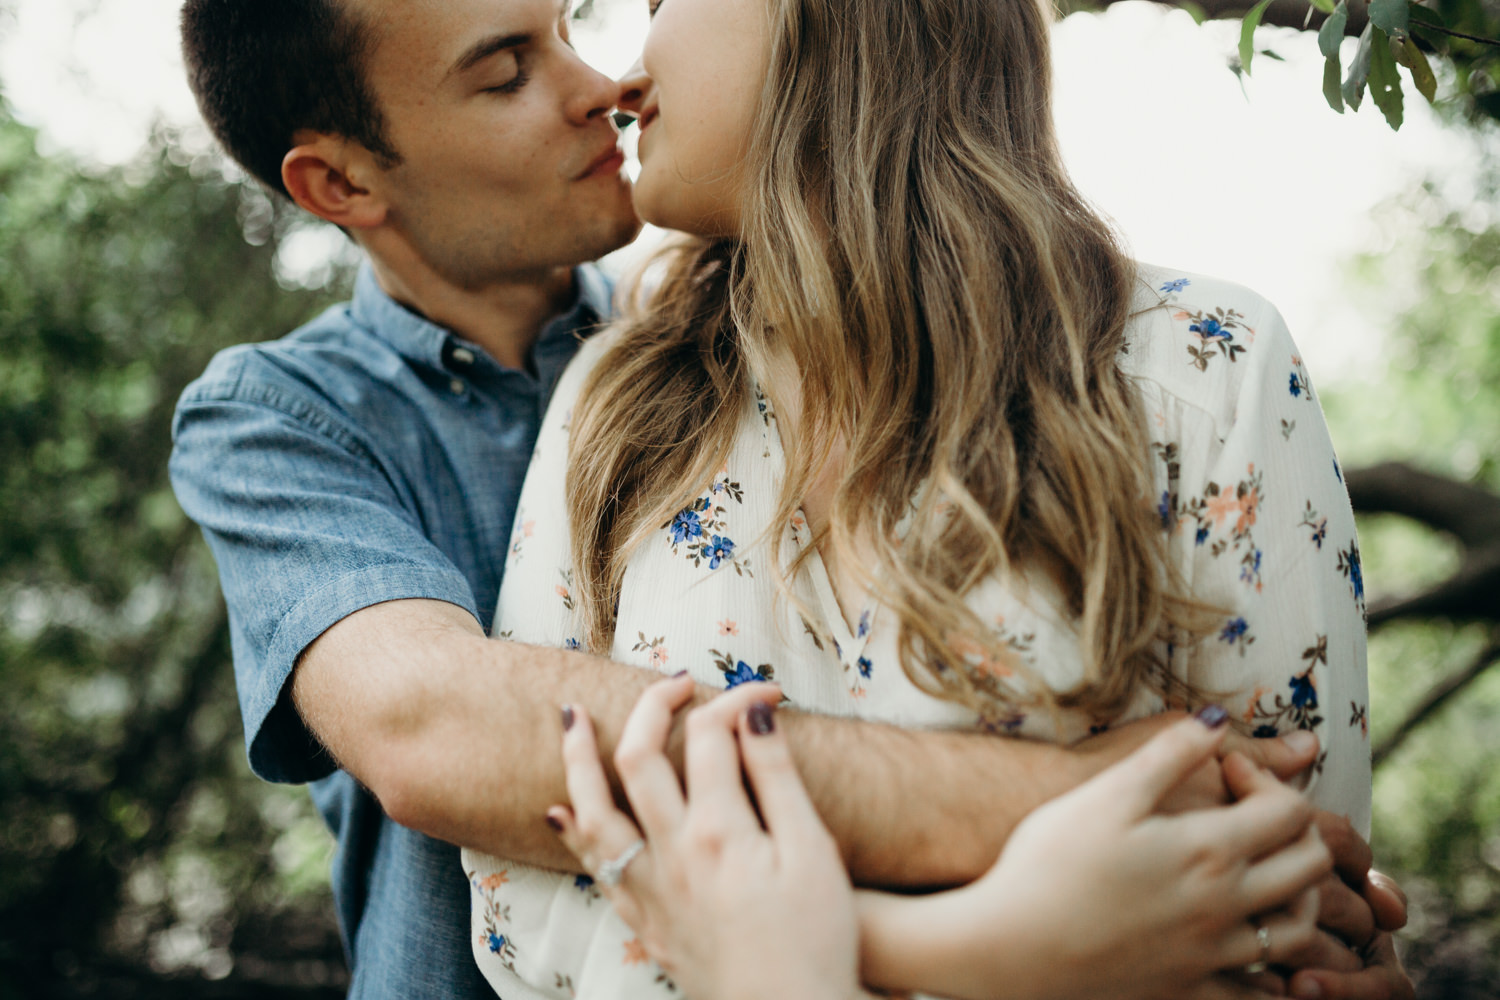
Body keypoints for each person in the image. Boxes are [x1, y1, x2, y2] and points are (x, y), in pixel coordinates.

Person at [167, 0, 1405, 997]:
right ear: (340, 185)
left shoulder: (1199, 367)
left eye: (583, 20)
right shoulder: (300, 420)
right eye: (505, 72)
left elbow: (1296, 916)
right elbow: (447, 739)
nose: (603, 79)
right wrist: (1094, 826)